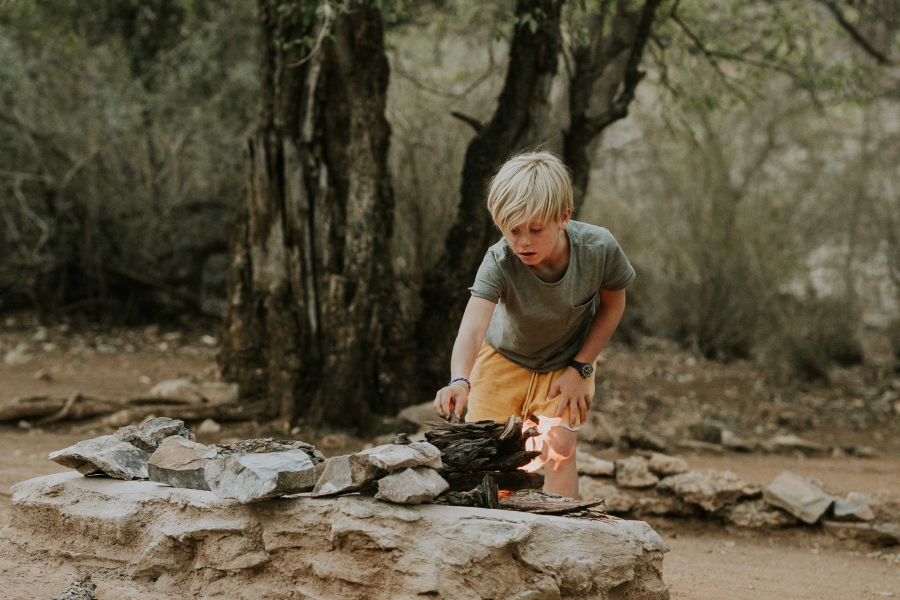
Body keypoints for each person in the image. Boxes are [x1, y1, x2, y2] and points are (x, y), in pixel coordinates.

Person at [432, 151, 635, 499]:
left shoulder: (599, 248)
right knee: (488, 456)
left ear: (563, 217)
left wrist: (580, 368)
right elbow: (473, 325)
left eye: (535, 230)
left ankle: (564, 538)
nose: (522, 241)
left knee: (559, 448)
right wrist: (459, 379)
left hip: (568, 364)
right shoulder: (499, 260)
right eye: (512, 230)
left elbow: (613, 306)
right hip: (502, 360)